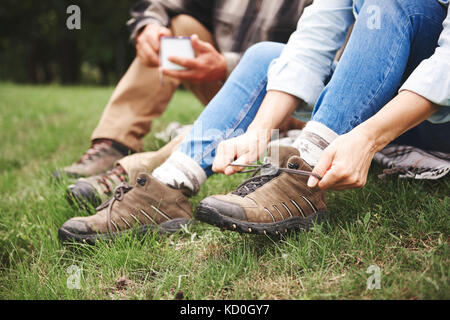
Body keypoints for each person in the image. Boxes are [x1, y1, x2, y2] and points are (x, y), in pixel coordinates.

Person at [58, 0, 449, 243]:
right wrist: (260, 130)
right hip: (385, 95)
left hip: (434, 112)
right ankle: (170, 186)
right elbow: (312, 42)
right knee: (265, 55)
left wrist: (366, 138)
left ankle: (302, 175)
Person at [55, 0, 312, 181]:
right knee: (177, 27)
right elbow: (164, 5)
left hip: (294, 101)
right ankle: (114, 142)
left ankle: (150, 167)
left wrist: (227, 65)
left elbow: (326, 63)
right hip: (227, 84)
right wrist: (149, 27)